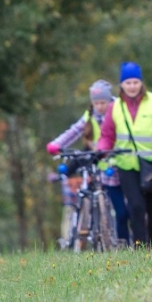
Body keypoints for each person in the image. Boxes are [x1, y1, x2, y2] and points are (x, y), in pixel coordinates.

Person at [97, 62, 152, 247]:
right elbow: (107, 135)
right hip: (127, 164)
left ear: (141, 83)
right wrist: (101, 150)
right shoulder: (115, 107)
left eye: (135, 82)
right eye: (128, 83)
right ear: (121, 85)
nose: (132, 86)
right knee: (136, 206)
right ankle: (141, 248)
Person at [46, 79, 130, 246]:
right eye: (96, 103)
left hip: (122, 162)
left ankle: (127, 242)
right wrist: (57, 144)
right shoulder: (90, 115)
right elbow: (74, 131)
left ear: (110, 100)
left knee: (124, 211)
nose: (99, 106)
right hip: (102, 164)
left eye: (103, 102)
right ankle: (98, 232)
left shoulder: (121, 111)